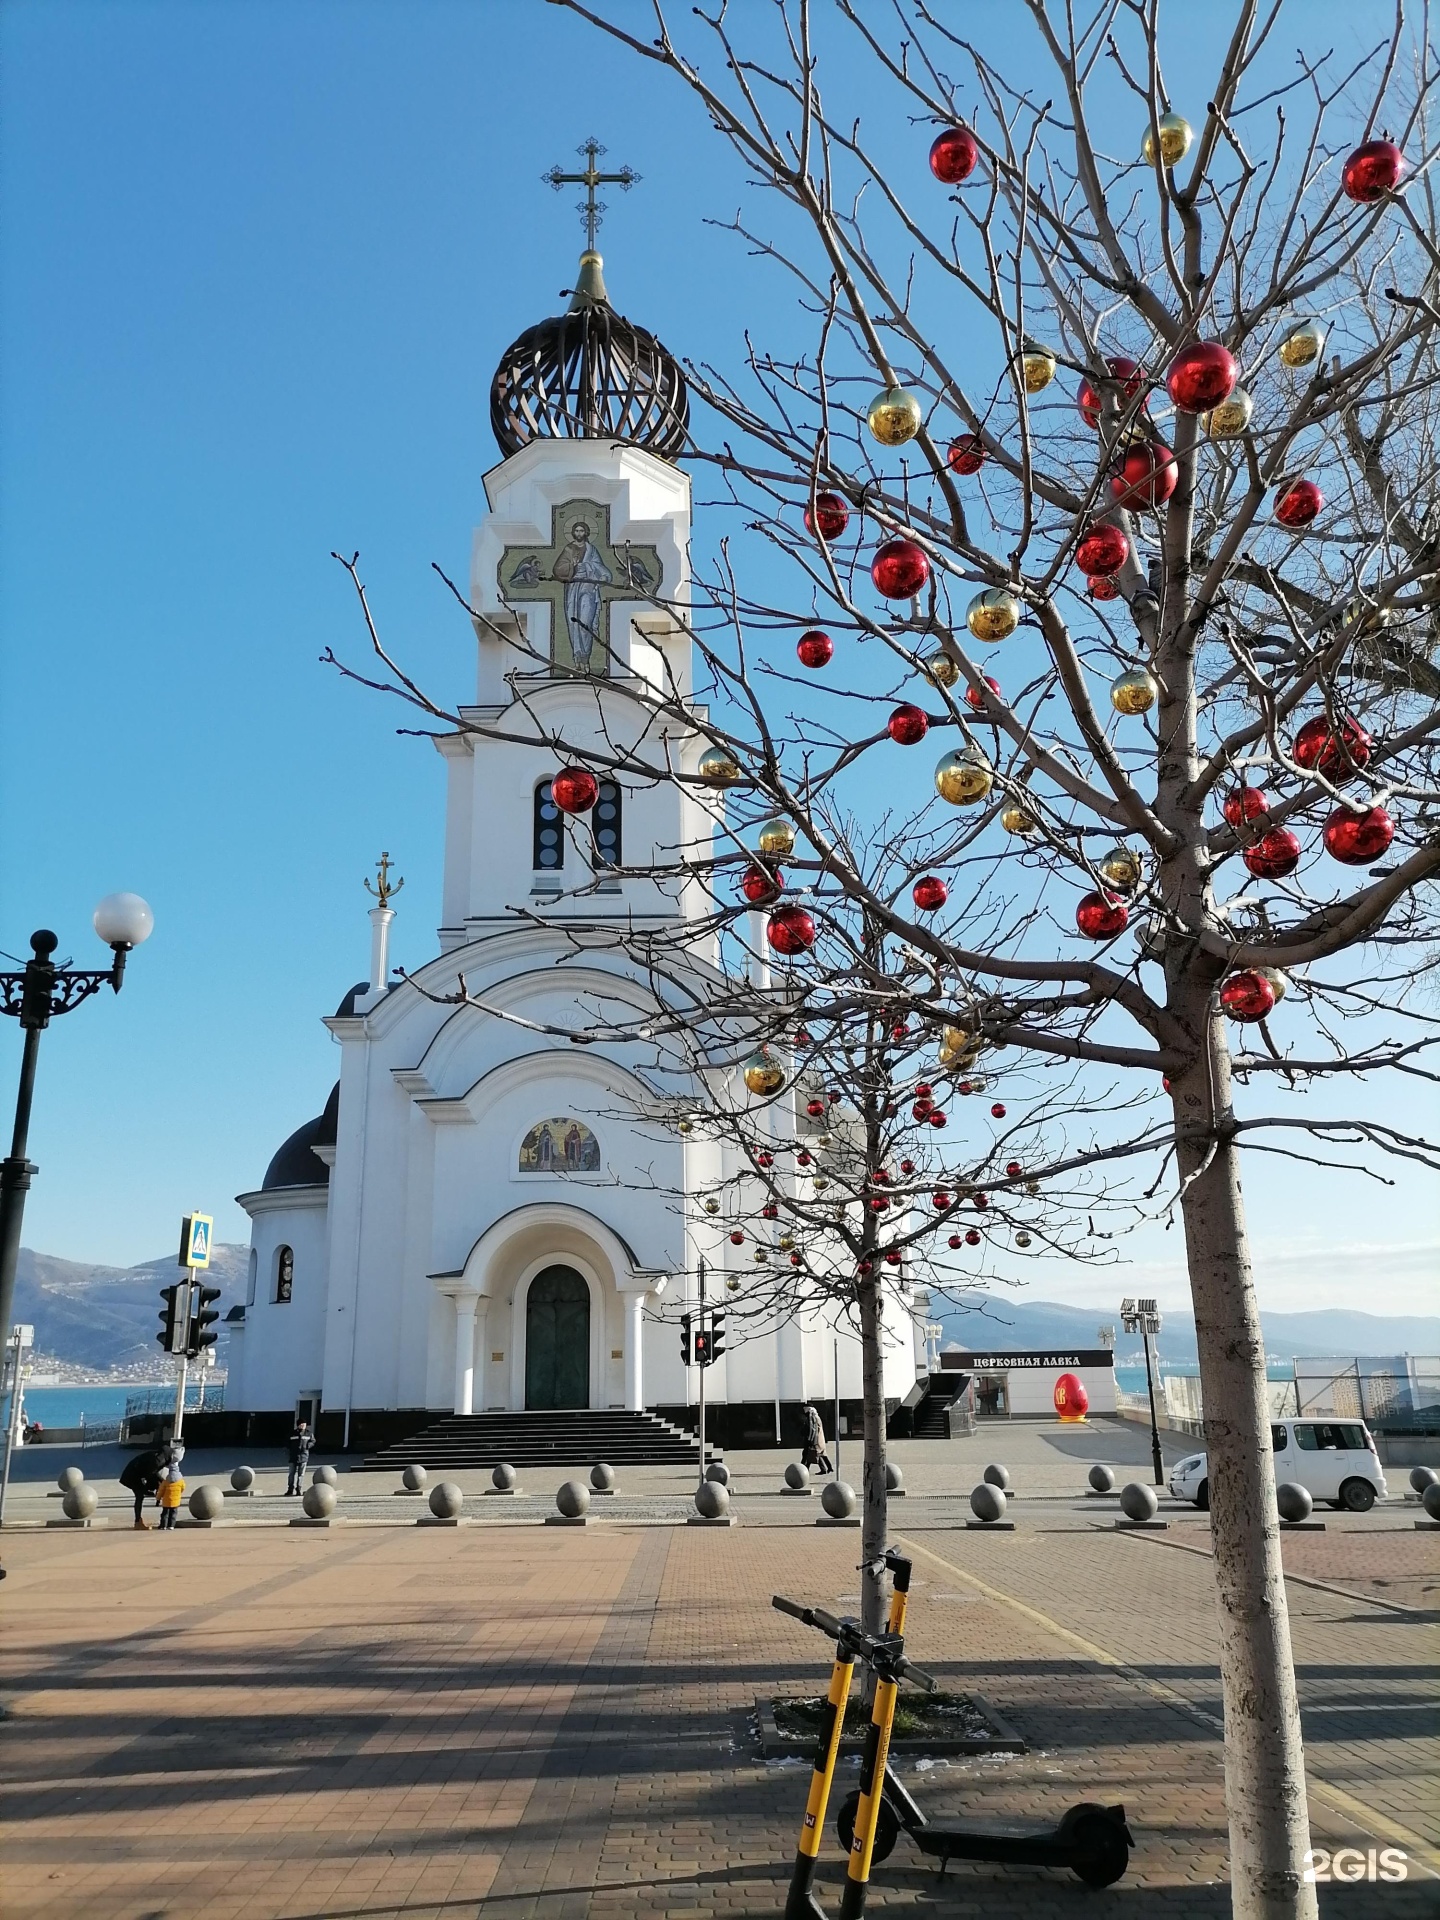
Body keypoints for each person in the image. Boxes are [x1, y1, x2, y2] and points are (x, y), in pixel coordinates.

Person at [118, 1448, 164, 1530]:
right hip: (132, 1476)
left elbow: (152, 1473)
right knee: (139, 1496)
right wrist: (162, 1481)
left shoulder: (155, 1456)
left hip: (133, 1475)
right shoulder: (155, 1460)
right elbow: (152, 1473)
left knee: (140, 1495)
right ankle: (138, 1522)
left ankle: (138, 1521)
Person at [802, 1402, 834, 1477]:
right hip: (819, 1438)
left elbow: (812, 1429)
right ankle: (828, 1468)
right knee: (820, 1454)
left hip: (815, 1439)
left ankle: (804, 1469)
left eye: (804, 1408)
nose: (804, 1410)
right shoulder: (816, 1416)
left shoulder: (812, 1416)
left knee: (810, 1453)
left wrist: (810, 1439)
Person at [286, 1420, 314, 1496]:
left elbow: (313, 1441)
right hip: (293, 1457)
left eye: (304, 1424)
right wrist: (290, 1450)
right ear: (298, 1425)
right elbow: (287, 1443)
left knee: (301, 1474)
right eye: (302, 1424)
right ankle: (290, 1489)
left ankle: (299, 1489)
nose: (304, 1425)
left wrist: (308, 1446)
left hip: (303, 1456)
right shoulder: (292, 1433)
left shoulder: (309, 1433)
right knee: (291, 1474)